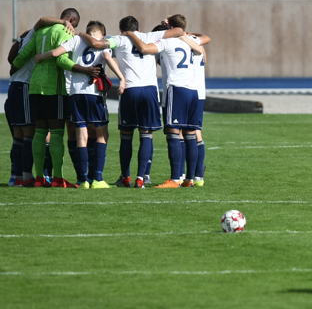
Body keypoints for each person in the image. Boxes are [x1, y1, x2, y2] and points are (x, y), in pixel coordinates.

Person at [81, 16, 184, 187]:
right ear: (137, 27)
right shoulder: (149, 36)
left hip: (130, 89)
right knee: (146, 135)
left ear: (122, 29)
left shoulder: (119, 40)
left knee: (126, 136)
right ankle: (141, 178)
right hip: (149, 90)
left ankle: (125, 177)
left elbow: (97, 45)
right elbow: (179, 30)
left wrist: (82, 34)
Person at [11, 10, 100, 187]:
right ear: (72, 20)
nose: (73, 30)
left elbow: (23, 55)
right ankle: (58, 178)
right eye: (75, 26)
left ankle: (39, 178)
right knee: (57, 132)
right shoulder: (64, 31)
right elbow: (60, 60)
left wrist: (14, 67)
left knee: (40, 131)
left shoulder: (41, 31)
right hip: (54, 88)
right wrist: (85, 70)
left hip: (35, 86)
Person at [35, 21, 126, 188]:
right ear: (101, 35)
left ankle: (83, 180)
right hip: (94, 94)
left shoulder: (76, 40)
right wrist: (121, 77)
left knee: (81, 137)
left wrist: (41, 57)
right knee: (102, 134)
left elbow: (56, 53)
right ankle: (98, 179)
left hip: (76, 94)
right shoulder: (102, 44)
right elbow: (107, 57)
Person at [124, 21, 201, 188]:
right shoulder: (187, 41)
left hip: (177, 89)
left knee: (173, 132)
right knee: (190, 135)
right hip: (193, 90)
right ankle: (189, 179)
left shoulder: (166, 42)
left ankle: (174, 179)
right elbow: (202, 50)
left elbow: (144, 49)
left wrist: (131, 34)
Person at [5, 26, 37, 187]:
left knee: (18, 137)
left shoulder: (22, 41)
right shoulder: (34, 37)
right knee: (28, 134)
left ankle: (16, 177)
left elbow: (11, 64)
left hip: (14, 88)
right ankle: (26, 176)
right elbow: (43, 20)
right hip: (24, 87)